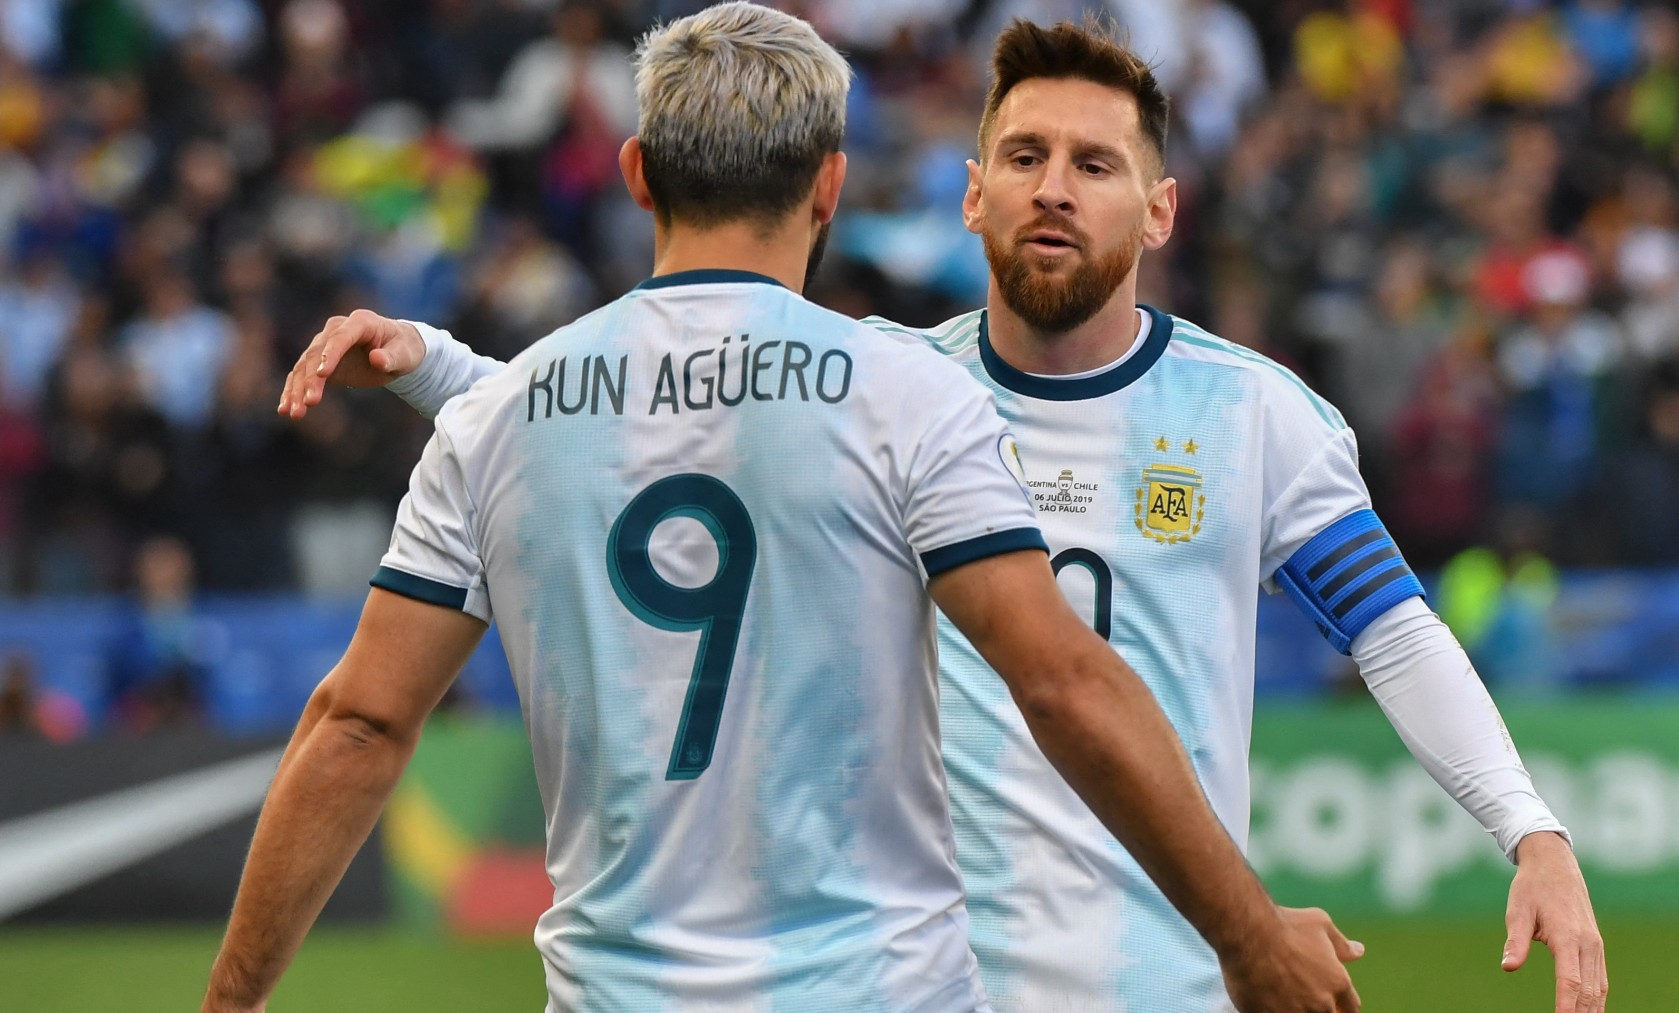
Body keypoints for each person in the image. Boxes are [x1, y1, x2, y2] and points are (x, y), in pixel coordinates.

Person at [283, 16, 1609, 1013]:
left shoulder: (1256, 416)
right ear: (968, 193)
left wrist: (1530, 830)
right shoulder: (884, 390)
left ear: (1157, 211)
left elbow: (1394, 628)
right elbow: (638, 408)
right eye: (1023, 155)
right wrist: (445, 371)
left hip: (1164, 974)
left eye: (1096, 164)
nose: (1053, 186)